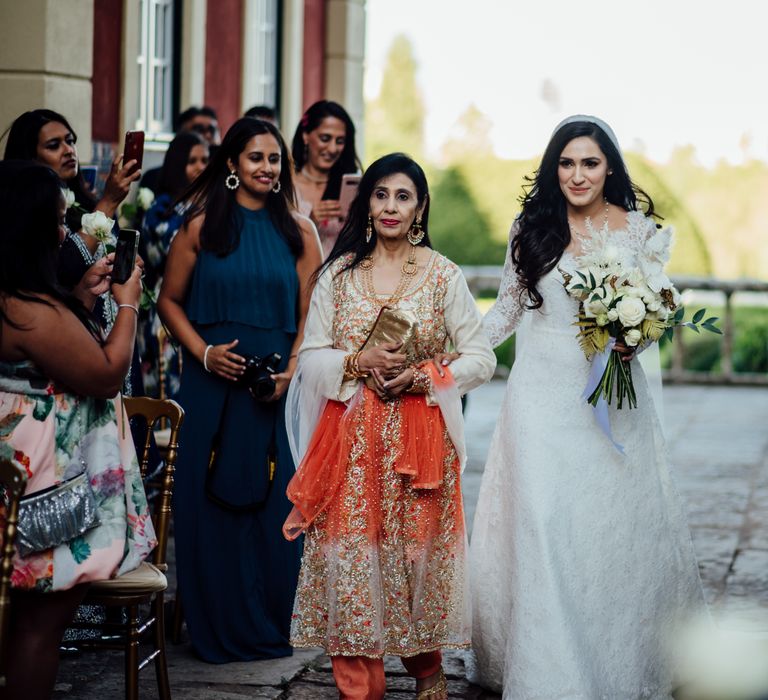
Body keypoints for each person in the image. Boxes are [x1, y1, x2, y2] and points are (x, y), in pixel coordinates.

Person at [465, 115, 704, 698]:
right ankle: (548, 667)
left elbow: (656, 310)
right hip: (539, 401)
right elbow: (507, 312)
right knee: (543, 525)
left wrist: (634, 335)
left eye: (590, 162)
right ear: (553, 168)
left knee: (605, 532)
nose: (577, 174)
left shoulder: (639, 231)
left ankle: (616, 658)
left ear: (610, 167)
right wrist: (450, 348)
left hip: (612, 404)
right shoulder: (531, 227)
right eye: (566, 163)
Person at [283, 153, 496, 699]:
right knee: (354, 561)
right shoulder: (339, 273)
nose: (391, 207)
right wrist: (358, 363)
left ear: (420, 206)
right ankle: (361, 690)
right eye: (381, 195)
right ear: (367, 203)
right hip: (350, 446)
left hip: (419, 446)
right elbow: (310, 357)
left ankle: (427, 667)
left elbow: (482, 358)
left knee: (411, 563)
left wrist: (426, 375)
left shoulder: (441, 275)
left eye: (403, 196)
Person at [157, 117, 322, 662]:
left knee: (275, 509)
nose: (267, 168)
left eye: (275, 159)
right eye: (256, 157)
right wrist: (203, 353)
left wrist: (292, 373)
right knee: (207, 506)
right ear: (232, 163)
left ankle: (271, 621)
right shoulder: (200, 227)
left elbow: (312, 318)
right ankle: (214, 624)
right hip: (210, 388)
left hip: (275, 392)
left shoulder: (300, 231)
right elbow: (168, 301)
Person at [0, 160, 155, 700]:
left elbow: (59, 352)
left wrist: (85, 298)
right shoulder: (27, 310)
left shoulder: (18, 297)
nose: (66, 233)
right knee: (40, 624)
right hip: (39, 481)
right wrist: (128, 303)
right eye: (59, 221)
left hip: (15, 467)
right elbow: (106, 372)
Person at [2, 109, 141, 353]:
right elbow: (62, 268)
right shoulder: (25, 219)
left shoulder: (87, 205)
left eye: (71, 140)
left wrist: (126, 265)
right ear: (30, 158)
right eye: (54, 145)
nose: (68, 150)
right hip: (71, 344)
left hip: (113, 330)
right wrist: (108, 203)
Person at [138, 130, 209, 399]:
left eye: (205, 160)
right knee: (167, 383)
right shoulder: (162, 208)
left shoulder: (212, 204)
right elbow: (166, 253)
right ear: (178, 164)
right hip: (166, 305)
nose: (201, 168)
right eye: (193, 161)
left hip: (200, 304)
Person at [291, 100, 361, 258]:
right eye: (325, 138)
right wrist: (310, 222)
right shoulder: (285, 186)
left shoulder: (350, 187)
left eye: (340, 141)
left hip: (339, 279)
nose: (332, 148)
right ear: (306, 136)